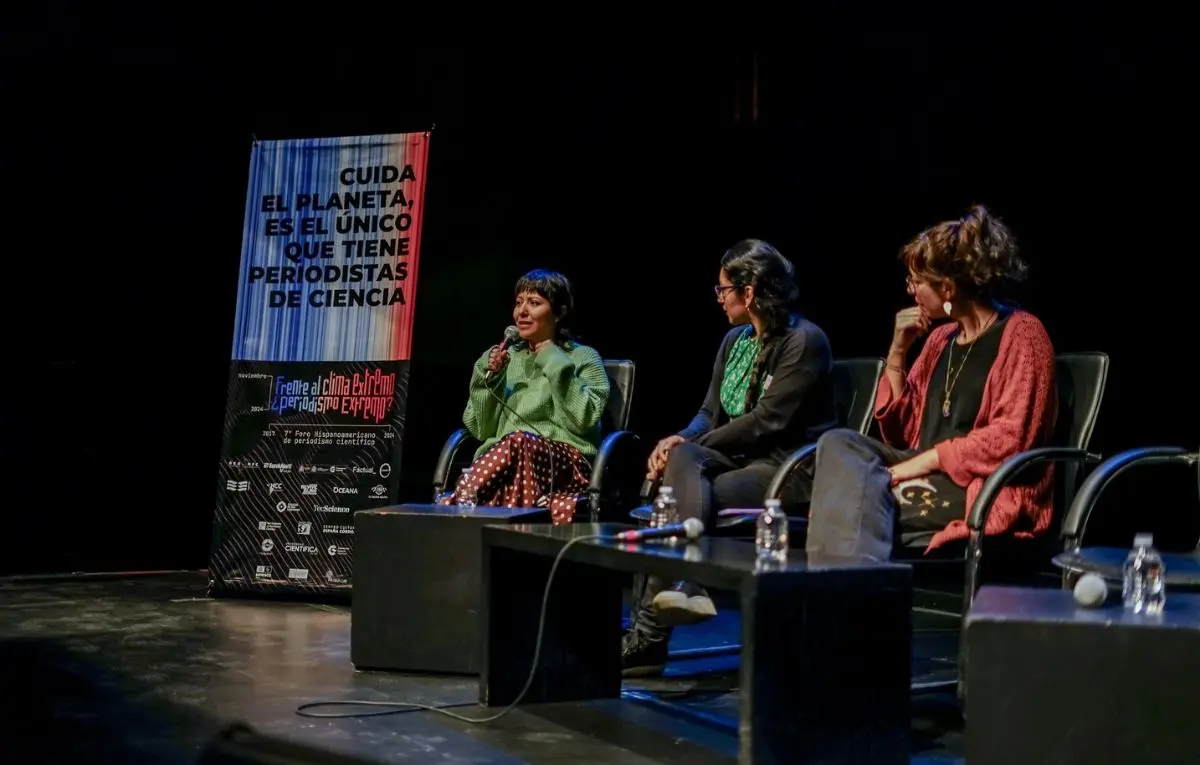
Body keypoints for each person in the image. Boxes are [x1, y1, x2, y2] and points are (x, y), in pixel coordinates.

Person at [622, 239, 836, 677]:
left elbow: (766, 421)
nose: (718, 298)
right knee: (681, 470)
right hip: (738, 461)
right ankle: (677, 595)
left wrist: (690, 447)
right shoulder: (734, 341)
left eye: (723, 289)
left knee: (675, 495)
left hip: (786, 468)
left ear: (749, 292)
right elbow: (708, 413)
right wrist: (678, 439)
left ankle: (651, 634)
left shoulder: (803, 341)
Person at [805, 205, 1057, 562]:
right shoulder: (941, 340)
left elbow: (1011, 439)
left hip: (980, 487)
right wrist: (898, 351)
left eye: (916, 282)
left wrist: (916, 466)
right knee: (838, 442)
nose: (911, 291)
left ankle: (848, 585)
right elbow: (901, 433)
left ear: (947, 288)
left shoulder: (1023, 335)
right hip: (922, 470)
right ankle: (851, 580)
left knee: (856, 504)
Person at [439, 269, 611, 524]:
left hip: (565, 465)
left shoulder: (583, 357)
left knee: (520, 442)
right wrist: (491, 379)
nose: (522, 312)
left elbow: (583, 420)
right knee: (514, 462)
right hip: (509, 464)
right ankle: (506, 539)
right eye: (519, 302)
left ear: (559, 312)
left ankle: (452, 508)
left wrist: (553, 360)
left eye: (534, 303)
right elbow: (481, 430)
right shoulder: (504, 358)